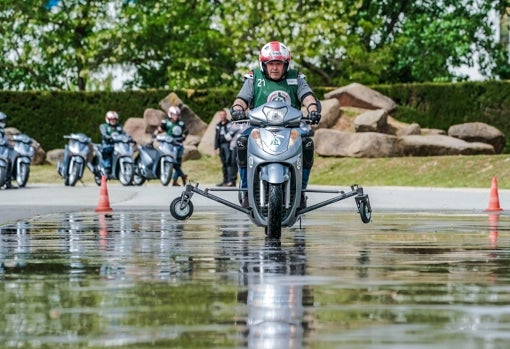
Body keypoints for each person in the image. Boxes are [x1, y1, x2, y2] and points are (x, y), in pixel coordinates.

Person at [230, 41, 322, 208]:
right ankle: (246, 190)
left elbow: (307, 95)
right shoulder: (254, 78)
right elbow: (242, 99)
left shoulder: (297, 77)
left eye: (278, 64)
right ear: (263, 64)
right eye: (270, 64)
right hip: (258, 127)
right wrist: (237, 109)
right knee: (242, 143)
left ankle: (300, 192)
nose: (274, 68)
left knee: (307, 144)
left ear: (286, 64)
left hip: (291, 128)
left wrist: (313, 108)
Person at [154, 105, 188, 186]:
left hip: (179, 144)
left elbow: (186, 131)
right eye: (174, 114)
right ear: (170, 114)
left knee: (178, 163)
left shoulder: (181, 123)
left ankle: (175, 180)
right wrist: (154, 135)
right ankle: (183, 176)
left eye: (177, 115)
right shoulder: (166, 122)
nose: (176, 116)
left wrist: (183, 137)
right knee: (174, 163)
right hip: (169, 144)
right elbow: (159, 129)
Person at [214, 110, 237, 187]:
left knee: (229, 162)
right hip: (221, 145)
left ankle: (230, 180)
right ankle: (225, 180)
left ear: (226, 115)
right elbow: (216, 137)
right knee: (224, 163)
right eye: (221, 115)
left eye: (224, 115)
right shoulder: (218, 125)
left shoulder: (229, 124)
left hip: (227, 145)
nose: (222, 116)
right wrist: (215, 147)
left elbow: (232, 134)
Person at [99, 110, 126, 175]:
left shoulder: (120, 126)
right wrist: (107, 137)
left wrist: (129, 138)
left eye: (115, 119)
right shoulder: (104, 126)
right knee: (107, 152)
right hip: (107, 144)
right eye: (111, 119)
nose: (113, 121)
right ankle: (107, 167)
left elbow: (124, 134)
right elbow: (104, 134)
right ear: (108, 119)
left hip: (118, 146)